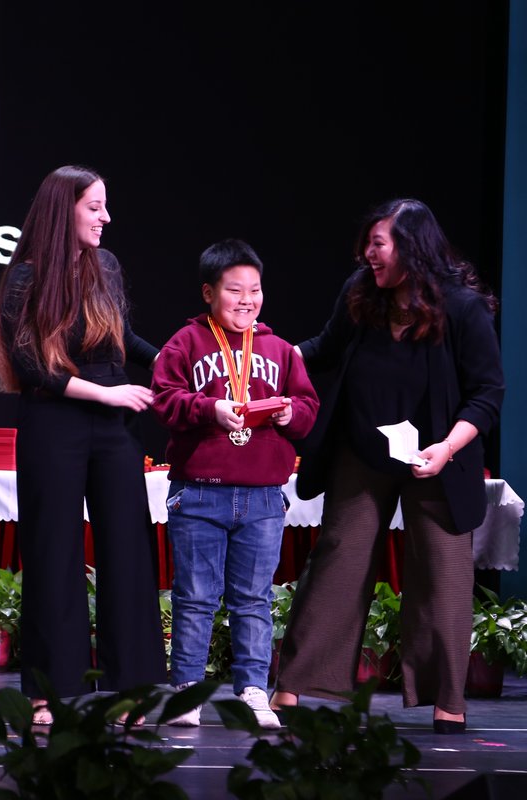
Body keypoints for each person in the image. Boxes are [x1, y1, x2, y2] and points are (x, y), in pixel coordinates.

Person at [270, 199, 504, 734]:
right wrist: (264, 359)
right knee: (338, 559)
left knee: (442, 575)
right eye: (368, 243)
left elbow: (487, 394)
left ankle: (448, 701)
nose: (367, 254)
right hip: (363, 451)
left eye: (379, 243)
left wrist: (446, 448)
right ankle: (293, 685)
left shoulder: (463, 309)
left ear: (413, 247)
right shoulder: (361, 296)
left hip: (438, 458)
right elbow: (323, 350)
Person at [0, 165, 166, 724]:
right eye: (95, 207)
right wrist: (107, 395)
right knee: (52, 554)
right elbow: (29, 364)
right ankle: (49, 689)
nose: (106, 217)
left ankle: (128, 691)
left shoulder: (106, 266)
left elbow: (124, 339)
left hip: (113, 431)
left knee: (129, 553)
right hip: (55, 424)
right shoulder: (26, 275)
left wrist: (172, 364)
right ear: (63, 209)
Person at [150, 239, 319, 729]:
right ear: (209, 292)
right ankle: (187, 687)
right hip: (199, 490)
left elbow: (308, 411)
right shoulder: (184, 344)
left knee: (254, 599)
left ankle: (251, 689)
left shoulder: (280, 349)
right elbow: (164, 401)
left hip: (264, 496)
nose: (247, 300)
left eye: (255, 290)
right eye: (234, 290)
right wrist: (209, 409)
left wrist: (291, 412)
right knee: (195, 596)